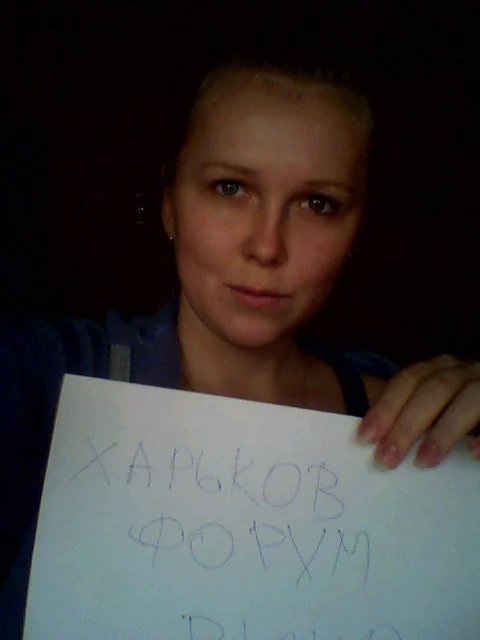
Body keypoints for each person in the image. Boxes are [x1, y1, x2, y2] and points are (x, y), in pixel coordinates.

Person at [0, 55, 479, 637]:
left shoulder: (412, 420)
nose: (267, 246)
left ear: (357, 227)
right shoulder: (45, 375)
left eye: (318, 203)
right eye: (230, 188)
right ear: (171, 204)